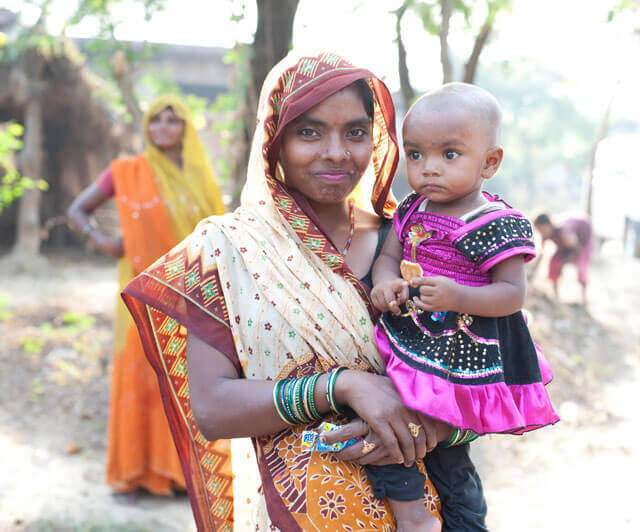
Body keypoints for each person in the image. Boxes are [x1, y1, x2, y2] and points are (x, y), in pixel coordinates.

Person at [121, 53, 488, 531]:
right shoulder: (231, 249)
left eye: (356, 132)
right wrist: (342, 385)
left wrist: (426, 426)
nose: (337, 152)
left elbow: (496, 379)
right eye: (309, 132)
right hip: (293, 514)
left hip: (436, 509)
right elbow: (212, 408)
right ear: (274, 142)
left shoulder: (422, 241)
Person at [369, 83, 559, 527]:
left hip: (461, 353)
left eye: (449, 155)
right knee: (391, 428)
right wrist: (385, 284)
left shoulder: (495, 222)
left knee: (450, 458)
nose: (428, 169)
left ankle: (464, 523)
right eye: (415, 155)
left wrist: (458, 296)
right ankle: (412, 514)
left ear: (490, 162)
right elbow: (389, 257)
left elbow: (512, 296)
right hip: (411, 339)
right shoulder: (414, 207)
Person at [66, 95, 226, 497]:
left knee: (188, 379)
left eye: (173, 119)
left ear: (186, 127)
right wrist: (101, 240)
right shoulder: (127, 172)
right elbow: (77, 210)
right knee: (144, 373)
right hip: (142, 294)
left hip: (192, 295)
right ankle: (138, 474)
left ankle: (182, 475)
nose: (164, 127)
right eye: (156, 120)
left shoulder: (203, 178)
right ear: (147, 129)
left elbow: (216, 236)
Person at [533, 213, 593, 303]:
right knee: (553, 262)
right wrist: (532, 272)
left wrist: (564, 262)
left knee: (581, 263)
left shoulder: (565, 234)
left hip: (582, 239)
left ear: (549, 225)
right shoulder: (545, 235)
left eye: (543, 229)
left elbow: (577, 249)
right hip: (568, 245)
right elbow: (541, 254)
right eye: (539, 230)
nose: (541, 232)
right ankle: (556, 296)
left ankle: (584, 298)